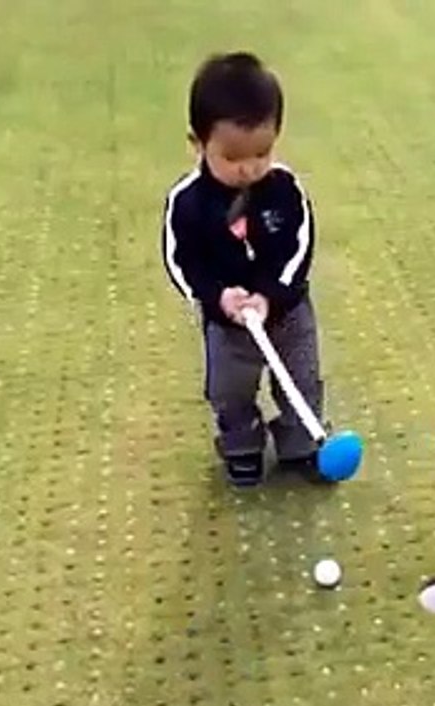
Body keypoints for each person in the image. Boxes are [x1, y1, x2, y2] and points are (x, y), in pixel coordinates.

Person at [161, 51, 323, 486]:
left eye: (262, 152)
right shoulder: (189, 202)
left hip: (287, 311)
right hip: (228, 322)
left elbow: (299, 246)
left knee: (300, 377)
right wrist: (218, 297)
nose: (249, 167)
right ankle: (242, 445)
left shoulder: (285, 189)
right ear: (198, 143)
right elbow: (181, 261)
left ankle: (301, 443)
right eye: (233, 157)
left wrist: (271, 294)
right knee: (228, 391)